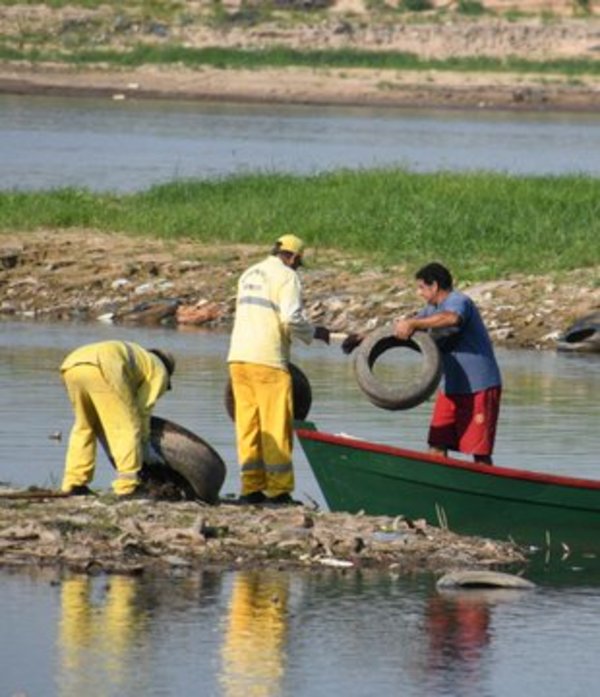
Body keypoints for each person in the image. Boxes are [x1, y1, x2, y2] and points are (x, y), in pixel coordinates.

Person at [227, 234, 330, 506]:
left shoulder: (249, 273)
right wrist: (315, 333)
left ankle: (251, 489)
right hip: (267, 360)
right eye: (298, 262)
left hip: (238, 359)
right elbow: (291, 317)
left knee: (248, 426)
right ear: (294, 257)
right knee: (276, 425)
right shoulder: (286, 276)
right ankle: (278, 491)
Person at [394, 262, 501, 465]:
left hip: (479, 386)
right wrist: (363, 338)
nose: (419, 293)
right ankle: (436, 490)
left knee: (479, 452)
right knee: (436, 445)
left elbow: (452, 319)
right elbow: (407, 327)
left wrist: (414, 324)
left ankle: (483, 491)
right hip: (450, 388)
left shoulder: (458, 300)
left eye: (421, 288)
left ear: (434, 286)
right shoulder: (431, 310)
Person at [60, 340, 175, 497]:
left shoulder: (140, 358)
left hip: (72, 364)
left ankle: (74, 483)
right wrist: (145, 446)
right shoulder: (159, 370)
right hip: (103, 366)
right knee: (128, 426)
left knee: (84, 427)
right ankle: (128, 487)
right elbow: (142, 411)